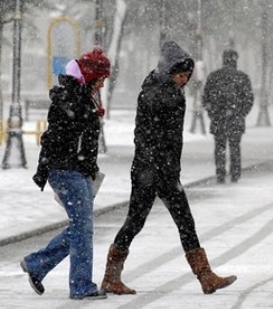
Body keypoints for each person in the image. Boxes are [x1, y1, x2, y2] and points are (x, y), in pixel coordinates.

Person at [101, 41, 236, 295]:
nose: (184, 80)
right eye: (181, 75)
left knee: (177, 220)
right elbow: (145, 135)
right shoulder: (157, 94)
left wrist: (167, 167)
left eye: (187, 76)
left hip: (161, 170)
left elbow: (167, 138)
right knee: (139, 221)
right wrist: (158, 166)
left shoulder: (166, 90)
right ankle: (111, 276)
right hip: (151, 171)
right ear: (169, 70)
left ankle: (205, 276)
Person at [22, 46, 110, 300]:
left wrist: (90, 170)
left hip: (78, 169)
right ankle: (81, 285)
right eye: (101, 79)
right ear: (92, 76)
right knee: (83, 227)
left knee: (81, 227)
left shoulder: (83, 97)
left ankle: (37, 263)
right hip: (65, 170)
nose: (103, 85)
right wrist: (48, 168)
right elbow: (57, 137)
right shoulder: (70, 97)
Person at [202, 49, 254, 184]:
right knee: (235, 147)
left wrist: (213, 113)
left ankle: (220, 173)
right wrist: (240, 113)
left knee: (219, 147)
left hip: (218, 119)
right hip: (235, 120)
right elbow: (249, 99)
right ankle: (235, 173)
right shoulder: (242, 77)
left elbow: (205, 98)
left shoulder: (213, 77)